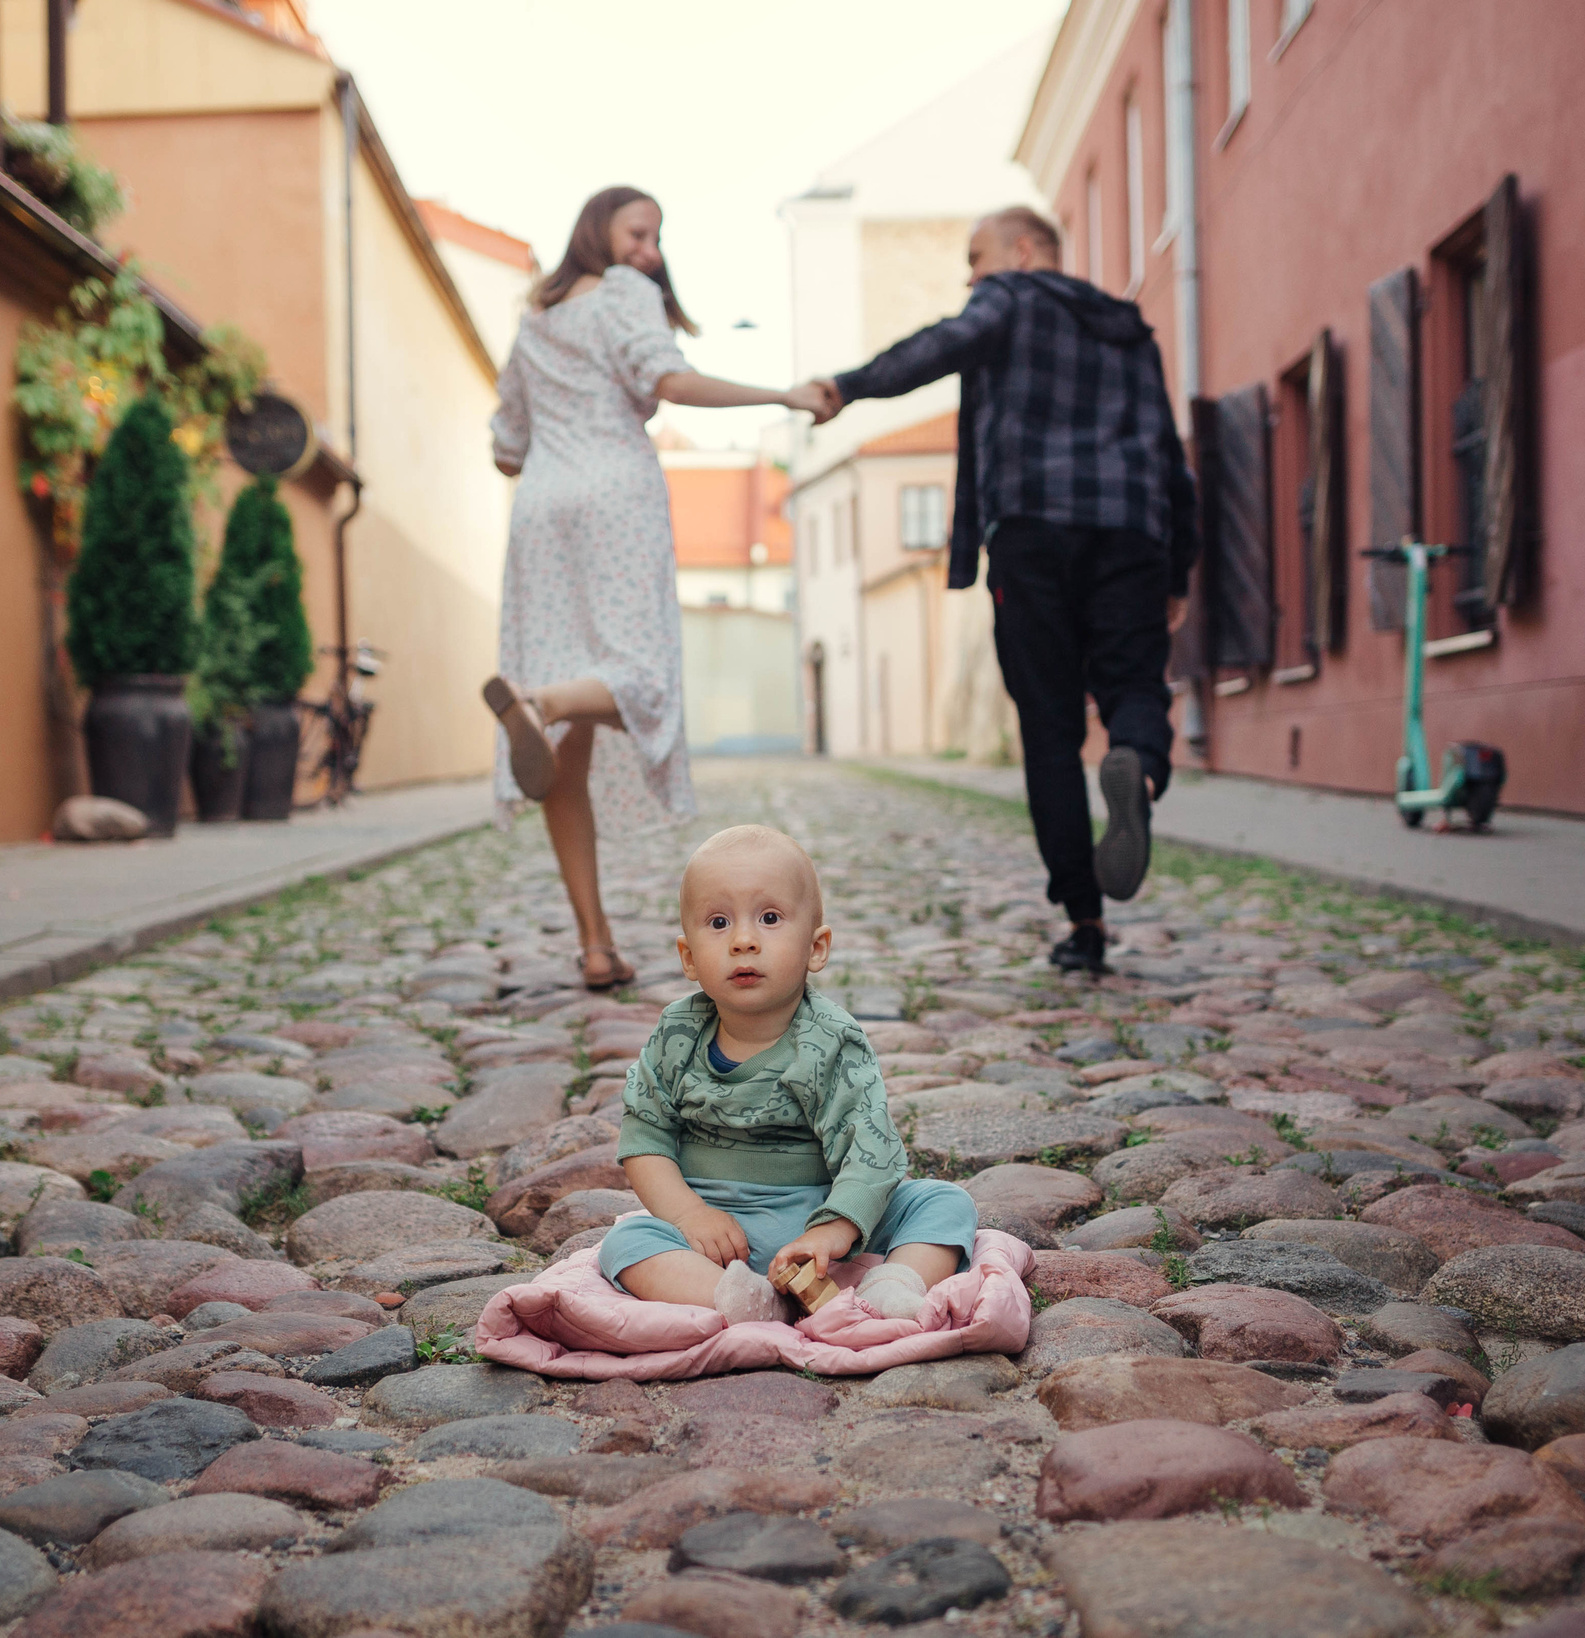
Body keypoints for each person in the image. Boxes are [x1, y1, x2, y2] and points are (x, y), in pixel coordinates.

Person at [813, 206, 1199, 975]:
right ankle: (1138, 769)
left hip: (1034, 532)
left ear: (1024, 253)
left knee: (1049, 728)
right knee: (1134, 685)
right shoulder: (1132, 328)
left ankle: (1085, 922)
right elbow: (1168, 448)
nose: (969, 275)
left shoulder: (1012, 297)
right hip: (1130, 529)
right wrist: (1178, 567)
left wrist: (846, 386)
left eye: (975, 256)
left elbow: (939, 346)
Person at [483, 186, 835, 992]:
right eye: (639, 231)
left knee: (562, 767)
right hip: (616, 498)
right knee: (642, 675)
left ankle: (596, 944)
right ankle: (542, 703)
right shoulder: (626, 295)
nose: (649, 249)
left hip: (541, 510)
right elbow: (668, 382)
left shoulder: (533, 320)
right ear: (597, 229)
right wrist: (782, 396)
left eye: (656, 238)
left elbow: (507, 446)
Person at [598, 825, 978, 1324]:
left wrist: (833, 1229)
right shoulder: (677, 1035)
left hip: (819, 1211)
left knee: (943, 1203)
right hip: (715, 1230)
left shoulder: (829, 1039)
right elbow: (645, 1138)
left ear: (815, 948)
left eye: (770, 918)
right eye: (718, 922)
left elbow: (871, 1152)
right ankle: (744, 1300)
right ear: (688, 957)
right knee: (626, 1242)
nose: (743, 940)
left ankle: (893, 1283)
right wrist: (690, 1216)